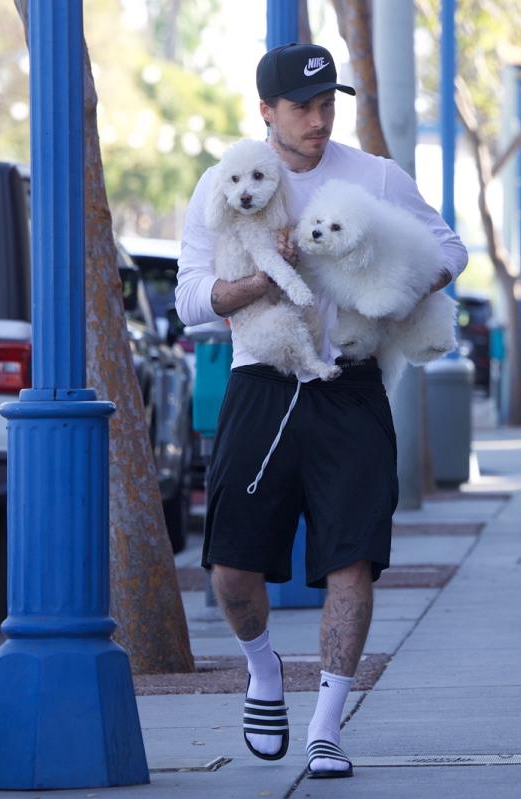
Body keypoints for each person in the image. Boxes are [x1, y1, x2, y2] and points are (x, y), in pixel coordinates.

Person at [175, 43, 468, 778]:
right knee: (232, 573)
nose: (318, 118)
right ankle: (264, 672)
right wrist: (261, 286)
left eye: (326, 102)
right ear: (266, 110)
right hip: (262, 381)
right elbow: (187, 297)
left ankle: (328, 723)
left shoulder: (375, 176)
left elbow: (449, 249)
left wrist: (395, 284)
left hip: (352, 384)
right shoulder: (225, 182)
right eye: (301, 106)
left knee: (351, 561)